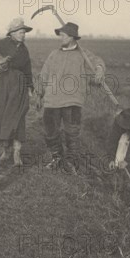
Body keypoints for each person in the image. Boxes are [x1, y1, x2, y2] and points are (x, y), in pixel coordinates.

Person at [36, 22, 105, 173]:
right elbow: (44, 75)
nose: (61, 37)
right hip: (52, 100)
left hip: (73, 100)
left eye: (64, 34)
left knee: (72, 133)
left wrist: (99, 70)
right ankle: (57, 158)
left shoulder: (83, 54)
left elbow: (97, 62)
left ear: (73, 37)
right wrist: (39, 94)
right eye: (60, 34)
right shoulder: (54, 54)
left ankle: (71, 162)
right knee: (50, 132)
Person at [0, 17, 34, 166]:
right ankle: (6, 149)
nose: (23, 35)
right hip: (2, 85)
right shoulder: (2, 44)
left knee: (18, 116)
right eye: (20, 32)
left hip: (19, 85)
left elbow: (27, 69)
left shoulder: (24, 49)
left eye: (24, 32)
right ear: (12, 33)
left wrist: (30, 87)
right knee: (2, 116)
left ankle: (17, 152)